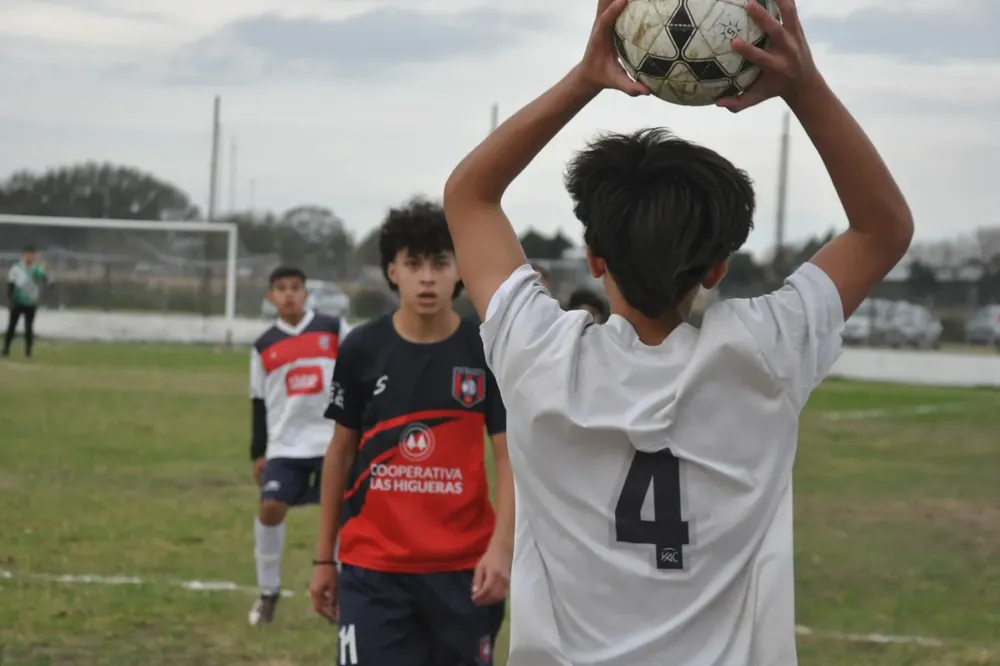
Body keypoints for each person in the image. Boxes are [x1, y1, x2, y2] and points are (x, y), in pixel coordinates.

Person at [441, 0, 913, 663]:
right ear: (718, 268)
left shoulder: (539, 357)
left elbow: (469, 195)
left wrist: (585, 78)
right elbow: (883, 228)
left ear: (595, 260)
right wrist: (805, 89)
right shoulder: (763, 351)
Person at [310, 198, 513, 666]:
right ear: (391, 271)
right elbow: (339, 455)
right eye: (414, 264)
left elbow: (509, 457)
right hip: (372, 570)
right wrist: (325, 557)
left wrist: (501, 550)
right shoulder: (362, 348)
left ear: (459, 270)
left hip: (463, 572)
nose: (427, 277)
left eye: (440, 263)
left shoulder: (485, 348)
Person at [248, 265, 352, 626]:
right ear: (271, 297)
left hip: (332, 441)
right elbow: (258, 402)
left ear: (306, 294)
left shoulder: (332, 328)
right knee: (270, 507)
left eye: (295, 288)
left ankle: (336, 593)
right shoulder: (263, 345)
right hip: (285, 445)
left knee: (342, 513)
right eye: (281, 288)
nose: (289, 294)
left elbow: (358, 373)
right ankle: (268, 592)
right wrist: (257, 453)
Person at [3, 246, 49, 359]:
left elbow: (44, 276)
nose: (30, 258)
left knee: (29, 328)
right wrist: (10, 297)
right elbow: (11, 283)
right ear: (23, 256)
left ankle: (28, 352)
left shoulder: (36, 269)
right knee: (11, 326)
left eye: (32, 256)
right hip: (17, 301)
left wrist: (49, 281)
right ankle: (6, 349)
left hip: (30, 302)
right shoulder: (16, 268)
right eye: (28, 255)